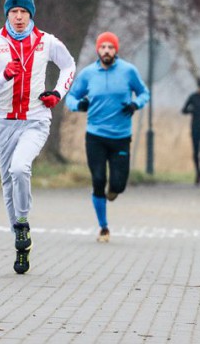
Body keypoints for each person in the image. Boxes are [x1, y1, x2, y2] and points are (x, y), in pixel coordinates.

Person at [0, 0, 76, 274]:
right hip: (4, 123)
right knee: (8, 183)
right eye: (14, 11)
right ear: (7, 13)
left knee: (20, 169)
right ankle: (21, 241)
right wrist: (3, 76)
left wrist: (57, 93)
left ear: (31, 14)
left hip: (36, 119)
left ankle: (22, 222)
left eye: (23, 11)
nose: (19, 17)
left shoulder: (46, 41)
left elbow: (69, 66)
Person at [65, 32, 150, 243]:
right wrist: (79, 105)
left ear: (116, 50)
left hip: (121, 136)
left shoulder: (128, 71)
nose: (106, 51)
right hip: (95, 136)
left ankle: (114, 190)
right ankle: (103, 227)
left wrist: (135, 104)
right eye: (102, 47)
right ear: (97, 50)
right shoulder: (88, 74)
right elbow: (71, 97)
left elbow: (144, 93)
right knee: (98, 180)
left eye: (110, 47)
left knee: (118, 185)